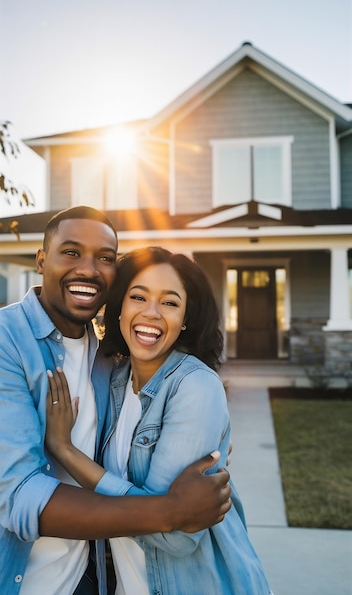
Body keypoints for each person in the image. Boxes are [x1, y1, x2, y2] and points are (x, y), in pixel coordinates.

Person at [0, 208, 231, 595]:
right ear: (42, 260)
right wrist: (170, 511)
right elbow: (20, 497)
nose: (89, 270)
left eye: (105, 258)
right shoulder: (9, 341)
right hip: (22, 580)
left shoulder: (110, 361)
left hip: (90, 579)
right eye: (71, 252)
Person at [45, 246, 273, 595]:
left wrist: (65, 451)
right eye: (138, 297)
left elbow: (175, 536)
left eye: (170, 302)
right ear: (119, 307)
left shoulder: (195, 387)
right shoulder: (114, 380)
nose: (151, 313)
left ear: (185, 319)